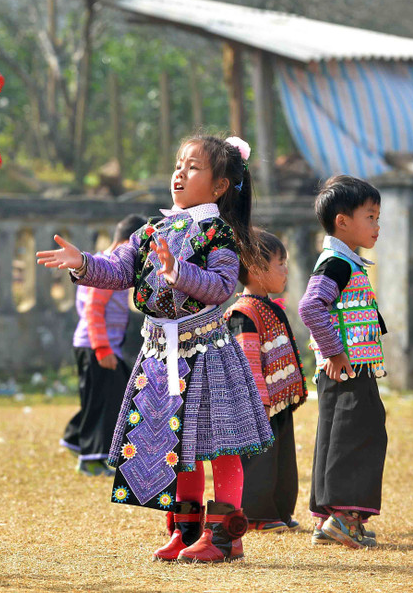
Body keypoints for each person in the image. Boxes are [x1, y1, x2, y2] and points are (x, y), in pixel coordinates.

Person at [37, 135, 273, 563]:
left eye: (193, 167)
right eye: (179, 164)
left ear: (220, 186)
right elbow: (118, 270)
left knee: (221, 445)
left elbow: (222, 287)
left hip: (208, 353)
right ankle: (186, 531)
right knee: (176, 444)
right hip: (162, 356)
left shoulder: (218, 234)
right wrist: (82, 263)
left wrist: (177, 271)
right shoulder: (152, 230)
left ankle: (224, 538)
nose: (180, 173)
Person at [298, 175, 386, 550]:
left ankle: (327, 520)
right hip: (347, 367)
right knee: (360, 437)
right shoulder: (338, 263)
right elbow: (310, 306)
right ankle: (345, 520)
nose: (377, 225)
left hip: (342, 369)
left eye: (378, 217)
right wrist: (335, 351)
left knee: (336, 438)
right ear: (343, 221)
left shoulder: (343, 260)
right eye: (370, 216)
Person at [225, 229, 307, 533]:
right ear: (256, 269)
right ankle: (256, 513)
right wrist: (258, 402)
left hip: (277, 401)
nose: (286, 270)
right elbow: (247, 362)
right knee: (260, 461)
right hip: (259, 405)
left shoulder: (270, 307)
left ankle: (279, 510)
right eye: (280, 263)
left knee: (282, 462)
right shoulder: (243, 313)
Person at [61, 214, 146, 476]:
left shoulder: (100, 262)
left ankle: (75, 439)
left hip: (99, 344)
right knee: (105, 402)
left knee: (102, 398)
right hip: (97, 346)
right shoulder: (108, 266)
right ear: (128, 243)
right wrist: (102, 348)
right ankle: (92, 458)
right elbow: (94, 310)